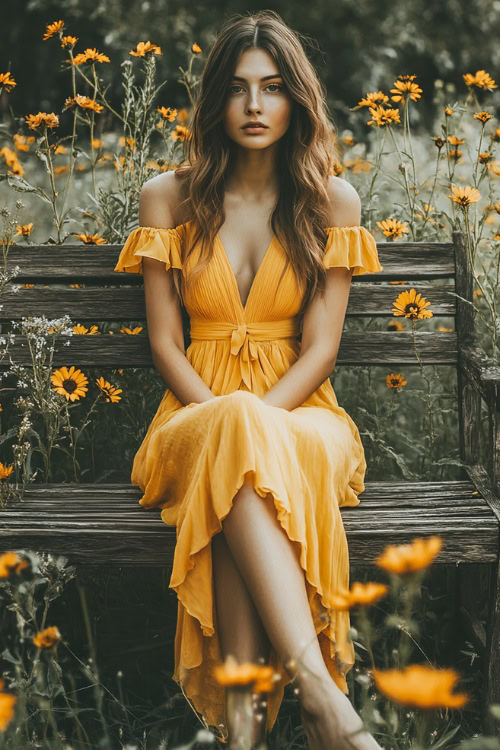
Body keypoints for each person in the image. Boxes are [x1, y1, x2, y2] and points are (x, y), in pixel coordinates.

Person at [114, 9, 384, 749]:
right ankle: (323, 697)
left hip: (304, 416)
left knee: (244, 447)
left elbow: (321, 350)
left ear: (297, 98)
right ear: (215, 102)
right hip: (190, 415)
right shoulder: (167, 196)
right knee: (233, 437)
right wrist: (230, 418)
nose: (256, 106)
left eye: (271, 88)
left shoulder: (332, 201)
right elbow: (167, 345)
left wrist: (254, 423)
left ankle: (241, 729)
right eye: (237, 89)